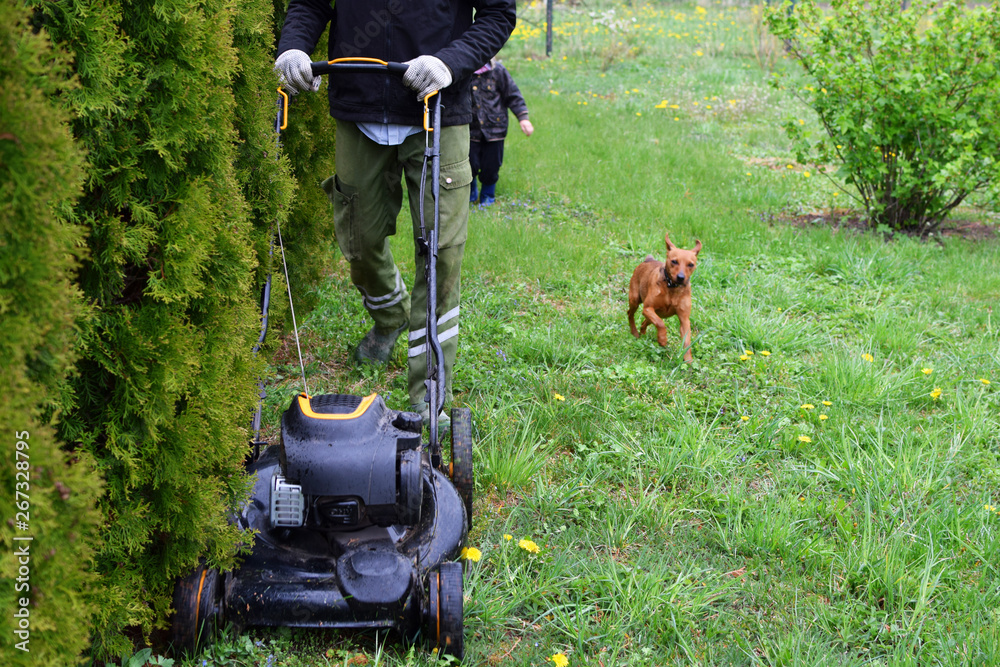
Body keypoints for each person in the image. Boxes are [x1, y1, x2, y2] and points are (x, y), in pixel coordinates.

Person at [273, 0, 516, 428]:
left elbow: (498, 13)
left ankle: (429, 395)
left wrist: (448, 62)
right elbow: (309, 3)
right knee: (358, 240)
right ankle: (390, 316)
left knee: (438, 255)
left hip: (437, 107)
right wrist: (293, 47)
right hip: (358, 107)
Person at [469, 59, 533, 206]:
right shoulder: (464, 72)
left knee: (491, 167)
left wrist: (523, 118)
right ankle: (470, 194)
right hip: (470, 131)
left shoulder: (498, 71)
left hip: (495, 130)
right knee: (468, 165)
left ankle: (487, 197)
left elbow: (513, 95)